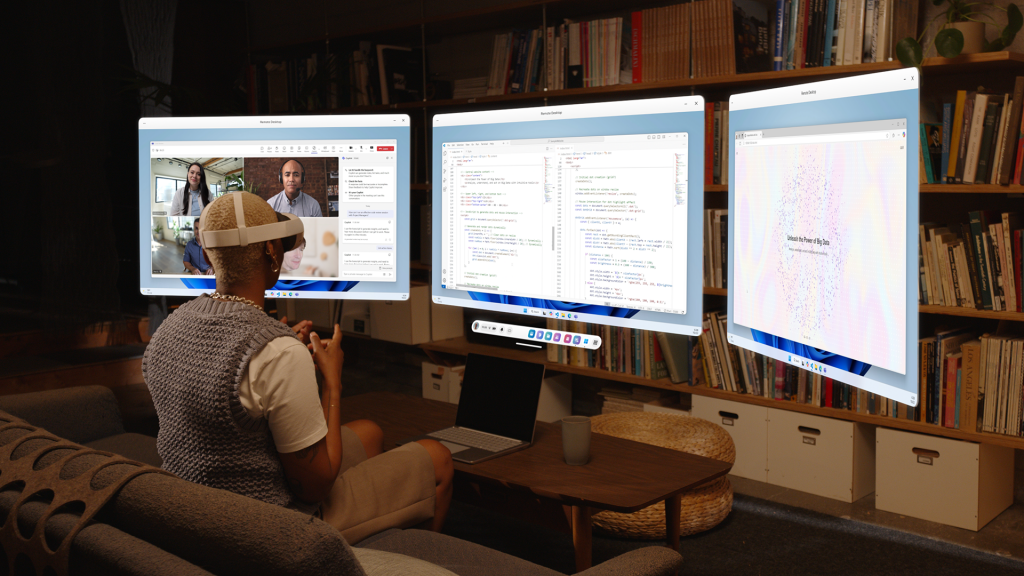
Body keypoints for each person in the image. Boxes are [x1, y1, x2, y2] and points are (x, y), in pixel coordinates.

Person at [143, 192, 452, 544]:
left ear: (210, 252)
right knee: (437, 458)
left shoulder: (169, 329)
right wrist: (331, 383)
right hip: (271, 530)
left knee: (369, 434)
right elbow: (314, 488)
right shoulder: (276, 352)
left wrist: (278, 353)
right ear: (271, 252)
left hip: (195, 509)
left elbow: (218, 403)